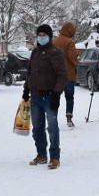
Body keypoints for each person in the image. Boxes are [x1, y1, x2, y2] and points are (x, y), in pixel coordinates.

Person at [22, 24, 67, 169]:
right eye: (39, 35)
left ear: (49, 37)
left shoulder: (55, 52)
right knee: (37, 128)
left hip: (49, 97)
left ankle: (54, 157)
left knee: (52, 127)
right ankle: (41, 154)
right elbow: (30, 72)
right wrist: (26, 89)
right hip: (35, 96)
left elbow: (62, 75)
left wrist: (56, 94)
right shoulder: (35, 52)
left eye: (44, 35)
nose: (41, 37)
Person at [52, 21, 80, 128]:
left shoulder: (54, 41)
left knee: (56, 97)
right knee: (69, 97)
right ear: (70, 31)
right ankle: (69, 118)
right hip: (68, 75)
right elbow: (72, 56)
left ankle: (53, 118)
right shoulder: (70, 42)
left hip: (56, 75)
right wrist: (77, 62)